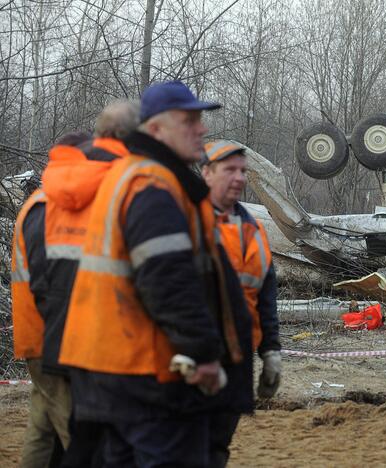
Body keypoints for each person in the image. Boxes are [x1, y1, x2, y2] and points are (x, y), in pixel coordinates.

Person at [58, 81, 253, 467]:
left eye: (201, 119)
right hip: (148, 377)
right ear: (156, 129)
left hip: (114, 372)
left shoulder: (133, 175)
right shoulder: (153, 185)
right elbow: (167, 279)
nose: (202, 129)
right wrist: (203, 353)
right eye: (189, 119)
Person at [11, 101, 139, 468]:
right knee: (78, 437)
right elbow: (52, 281)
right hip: (52, 340)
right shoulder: (47, 207)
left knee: (42, 427)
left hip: (43, 336)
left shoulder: (42, 203)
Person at [201, 140, 282, 465]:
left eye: (243, 171)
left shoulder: (254, 229)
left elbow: (265, 296)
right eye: (229, 170)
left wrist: (271, 352)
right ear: (206, 173)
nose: (239, 178)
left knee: (219, 443)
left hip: (238, 355)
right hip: (193, 357)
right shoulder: (185, 223)